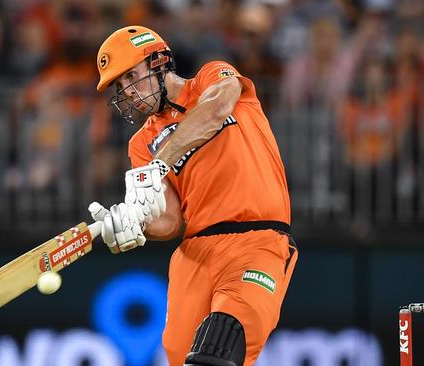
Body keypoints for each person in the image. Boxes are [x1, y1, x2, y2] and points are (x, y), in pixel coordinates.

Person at [88, 25, 298, 366]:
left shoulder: (210, 79)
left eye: (130, 76)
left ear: (157, 62)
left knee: (216, 353)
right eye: (119, 85)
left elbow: (216, 109)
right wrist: (133, 222)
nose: (127, 91)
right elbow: (170, 221)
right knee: (181, 358)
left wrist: (159, 165)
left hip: (256, 241)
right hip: (194, 256)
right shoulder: (140, 143)